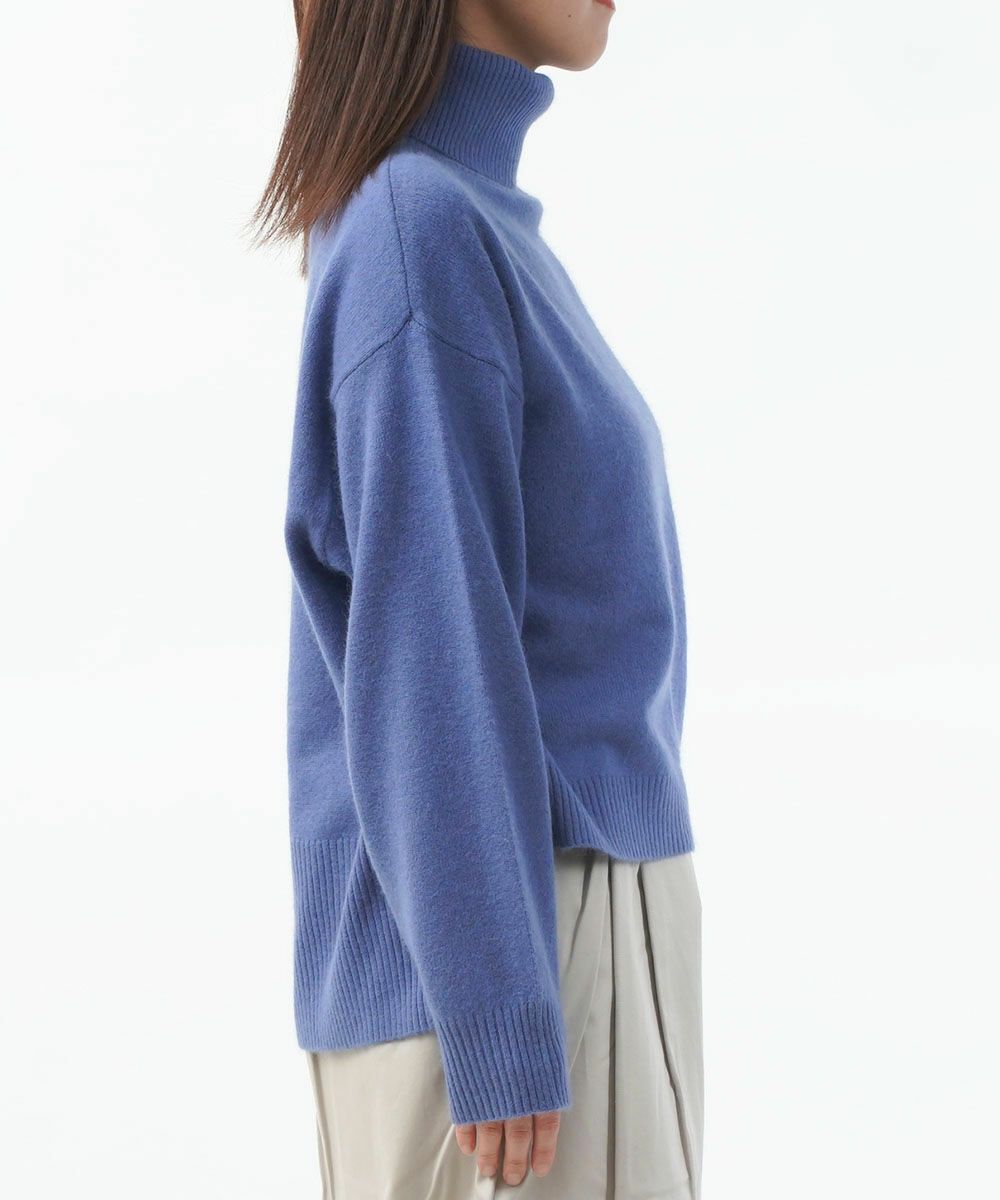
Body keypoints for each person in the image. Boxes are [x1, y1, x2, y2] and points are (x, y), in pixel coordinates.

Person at [255, 1, 704, 1195]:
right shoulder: (420, 226)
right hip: (521, 948)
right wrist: (497, 1009)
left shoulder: (453, 218)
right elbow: (428, 648)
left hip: (550, 930)